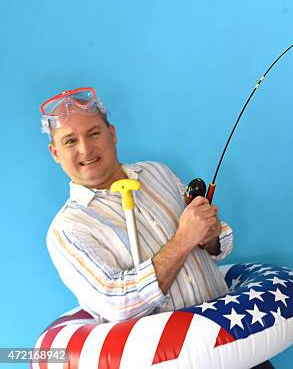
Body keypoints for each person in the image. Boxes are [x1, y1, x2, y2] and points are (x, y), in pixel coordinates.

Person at [42, 87, 233, 322]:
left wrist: (209, 236)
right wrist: (184, 239)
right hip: (168, 356)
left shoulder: (157, 172)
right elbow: (116, 304)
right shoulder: (67, 230)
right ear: (55, 153)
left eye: (93, 133)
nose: (85, 148)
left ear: (112, 134)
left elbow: (218, 245)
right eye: (70, 141)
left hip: (228, 332)